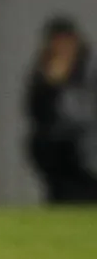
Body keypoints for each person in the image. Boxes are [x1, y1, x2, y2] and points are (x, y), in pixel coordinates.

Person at [25, 16, 97, 203]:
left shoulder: (89, 68)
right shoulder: (45, 70)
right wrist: (51, 82)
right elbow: (36, 113)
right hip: (58, 146)